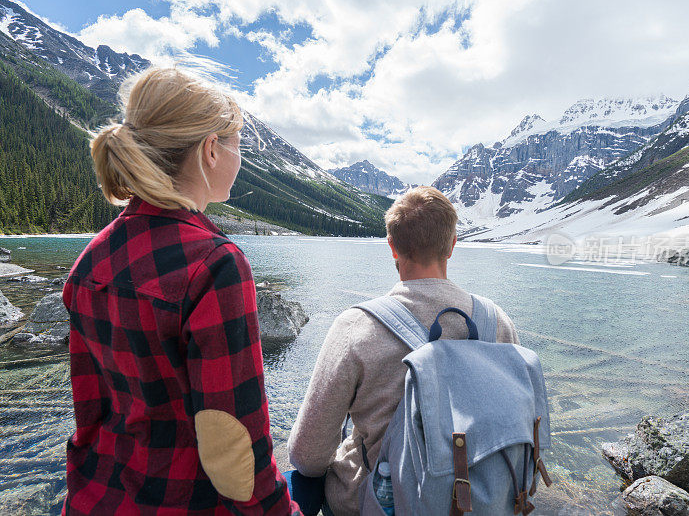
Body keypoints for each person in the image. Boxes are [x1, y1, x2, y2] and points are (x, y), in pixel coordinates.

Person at [62, 68, 301, 515]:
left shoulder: (90, 259)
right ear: (211, 149)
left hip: (95, 498)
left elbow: (90, 411)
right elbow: (234, 444)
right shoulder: (215, 264)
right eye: (237, 145)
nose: (239, 157)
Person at [287, 186, 520, 516]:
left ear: (392, 246)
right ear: (452, 246)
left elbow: (308, 457)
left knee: (296, 480)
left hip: (376, 505)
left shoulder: (356, 327)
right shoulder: (497, 322)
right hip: (481, 500)